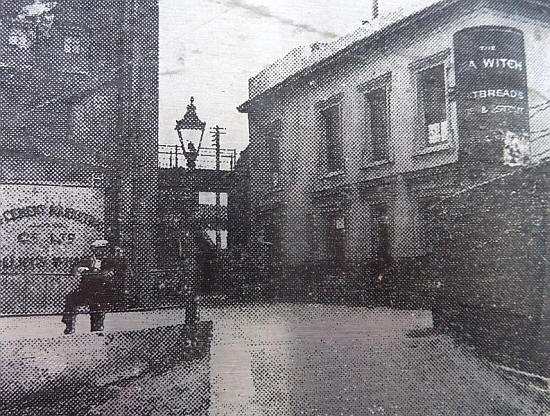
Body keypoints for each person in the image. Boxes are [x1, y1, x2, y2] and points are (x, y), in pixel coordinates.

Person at [61, 240, 129, 334]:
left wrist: (91, 271)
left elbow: (108, 274)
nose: (102, 252)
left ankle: (97, 328)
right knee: (71, 298)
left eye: (103, 249)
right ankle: (69, 325)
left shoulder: (110, 261)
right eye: (99, 249)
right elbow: (74, 270)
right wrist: (79, 269)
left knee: (98, 305)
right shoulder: (87, 260)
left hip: (101, 291)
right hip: (85, 290)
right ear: (94, 250)